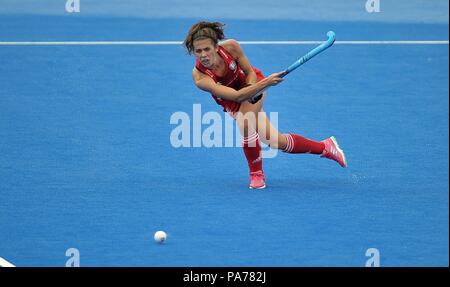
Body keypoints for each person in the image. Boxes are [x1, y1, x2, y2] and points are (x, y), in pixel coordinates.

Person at [183, 21, 347, 189]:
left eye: (207, 49)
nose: (203, 55)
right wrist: (263, 85)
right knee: (276, 141)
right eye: (198, 51)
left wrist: (254, 86)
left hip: (253, 83)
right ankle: (325, 147)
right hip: (236, 100)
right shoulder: (200, 77)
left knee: (245, 121)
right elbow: (238, 97)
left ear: (216, 47)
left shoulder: (231, 47)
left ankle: (256, 174)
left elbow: (250, 73)